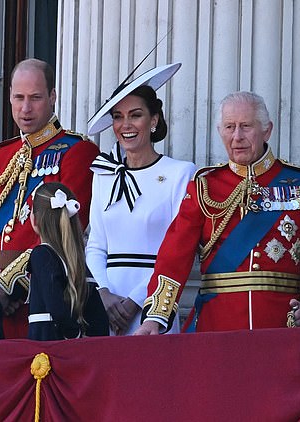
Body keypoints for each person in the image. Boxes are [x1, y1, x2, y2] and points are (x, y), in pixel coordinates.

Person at [135, 91, 300, 335]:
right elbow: (174, 256)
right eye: (229, 127)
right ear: (221, 132)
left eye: (246, 126)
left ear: (267, 130)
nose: (237, 137)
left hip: (283, 327)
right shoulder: (205, 186)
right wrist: (154, 318)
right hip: (218, 326)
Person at [0, 58, 100, 338]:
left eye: (35, 98)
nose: (25, 108)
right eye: (19, 98)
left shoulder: (77, 152)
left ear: (52, 97)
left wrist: (9, 286)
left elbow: (65, 228)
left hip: (43, 293)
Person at [85, 63, 196, 335]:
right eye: (118, 116)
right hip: (107, 308)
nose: (126, 125)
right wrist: (104, 293)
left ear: (154, 120)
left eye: (135, 115)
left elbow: (178, 248)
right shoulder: (103, 174)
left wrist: (135, 301)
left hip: (155, 304)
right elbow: (96, 244)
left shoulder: (179, 173)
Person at [27, 183, 108, 340]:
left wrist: (74, 334)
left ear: (35, 220)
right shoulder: (78, 260)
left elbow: (55, 306)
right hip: (80, 353)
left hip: (49, 350)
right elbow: (100, 320)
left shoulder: (42, 254)